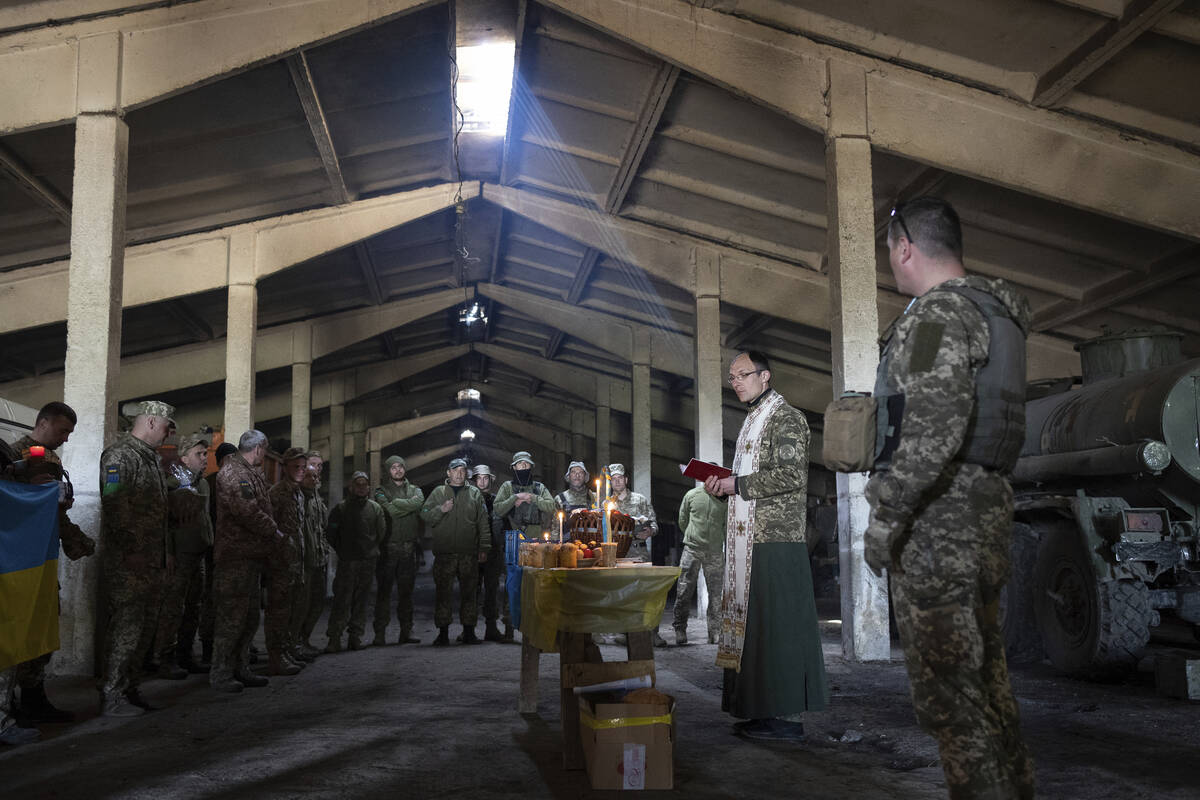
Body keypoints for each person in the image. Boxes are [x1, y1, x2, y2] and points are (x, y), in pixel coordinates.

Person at [865, 197, 1034, 799]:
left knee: (950, 699)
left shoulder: (937, 315)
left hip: (941, 520)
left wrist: (885, 519)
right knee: (987, 686)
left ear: (904, 248)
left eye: (890, 251)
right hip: (985, 509)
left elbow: (933, 425)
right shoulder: (999, 314)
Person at [704, 352, 827, 742]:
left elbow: (791, 475)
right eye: (732, 376)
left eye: (743, 374)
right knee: (756, 631)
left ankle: (787, 719)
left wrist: (736, 485)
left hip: (776, 541)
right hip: (750, 540)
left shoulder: (786, 416)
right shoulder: (753, 418)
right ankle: (762, 710)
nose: (736, 381)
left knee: (779, 630)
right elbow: (751, 479)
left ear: (766, 376)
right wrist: (724, 487)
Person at [5, 402, 96, 728]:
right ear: (42, 422)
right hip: (17, 562)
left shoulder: (52, 459)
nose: (66, 438)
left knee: (42, 626)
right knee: (16, 631)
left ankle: (31, 698)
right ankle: (11, 705)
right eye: (62, 431)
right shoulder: (12, 458)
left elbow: (56, 515)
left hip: (41, 561)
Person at [97, 400, 175, 717]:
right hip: (129, 561)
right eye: (168, 426)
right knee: (127, 629)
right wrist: (134, 550)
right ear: (152, 422)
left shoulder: (152, 460)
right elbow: (114, 505)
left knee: (144, 629)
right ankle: (112, 695)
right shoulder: (119, 456)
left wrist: (164, 552)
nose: (168, 433)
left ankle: (129, 688)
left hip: (152, 559)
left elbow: (161, 513)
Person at [210, 430, 285, 693]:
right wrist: (274, 532)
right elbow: (248, 511)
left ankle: (240, 668)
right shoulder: (234, 473)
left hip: (250, 556)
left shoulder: (249, 471)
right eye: (264, 452)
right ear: (260, 448)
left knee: (249, 618)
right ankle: (220, 673)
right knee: (231, 619)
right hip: (235, 558)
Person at [151, 431, 214, 680]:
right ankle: (165, 658)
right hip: (180, 554)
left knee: (193, 608)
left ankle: (186, 656)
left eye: (205, 454)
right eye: (198, 454)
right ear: (184, 458)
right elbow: (164, 522)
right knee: (173, 608)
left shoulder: (203, 483)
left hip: (198, 552)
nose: (204, 458)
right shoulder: (173, 484)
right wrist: (168, 553)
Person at [420, 458, 490, 646]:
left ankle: (469, 632)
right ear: (448, 473)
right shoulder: (438, 493)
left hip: (469, 553)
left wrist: (484, 547)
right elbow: (424, 514)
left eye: (463, 470)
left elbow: (483, 522)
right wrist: (441, 509)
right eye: (455, 470)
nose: (459, 473)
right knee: (443, 594)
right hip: (445, 554)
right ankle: (443, 633)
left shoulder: (474, 493)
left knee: (470, 593)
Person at [325, 472, 386, 653]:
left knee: (361, 601)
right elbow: (331, 534)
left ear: (368, 488)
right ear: (351, 487)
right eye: (357, 484)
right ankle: (334, 638)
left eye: (364, 484)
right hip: (348, 562)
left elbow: (381, 533)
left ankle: (355, 637)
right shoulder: (341, 509)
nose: (361, 487)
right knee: (342, 601)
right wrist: (344, 551)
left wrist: (370, 550)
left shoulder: (375, 509)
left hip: (367, 562)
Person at [609, 463, 667, 647]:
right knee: (622, 594)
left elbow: (654, 523)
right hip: (618, 552)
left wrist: (650, 531)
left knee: (647, 593)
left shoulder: (639, 499)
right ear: (610, 482)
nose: (617, 482)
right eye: (613, 479)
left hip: (639, 551)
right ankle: (624, 632)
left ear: (626, 480)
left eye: (620, 478)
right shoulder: (607, 503)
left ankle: (652, 632)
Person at [372, 455, 424, 646]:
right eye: (393, 467)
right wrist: (407, 507)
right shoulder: (380, 490)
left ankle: (406, 631)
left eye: (400, 467)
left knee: (406, 593)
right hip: (388, 548)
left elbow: (417, 504)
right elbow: (389, 511)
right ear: (388, 470)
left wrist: (397, 504)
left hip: (409, 548)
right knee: (384, 592)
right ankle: (380, 633)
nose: (398, 470)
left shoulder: (415, 490)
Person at [266, 447, 308, 675]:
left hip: (295, 561)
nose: (301, 471)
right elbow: (272, 530)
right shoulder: (277, 493)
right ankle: (276, 656)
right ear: (285, 468)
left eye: (303, 467)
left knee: (290, 610)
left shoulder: (298, 492)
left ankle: (286, 651)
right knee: (278, 611)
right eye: (296, 467)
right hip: (281, 563)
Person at [674, 482, 727, 646]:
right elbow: (682, 520)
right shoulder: (692, 495)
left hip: (715, 551)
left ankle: (715, 632)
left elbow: (726, 525)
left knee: (716, 594)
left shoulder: (725, 499)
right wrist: (693, 537)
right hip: (692, 550)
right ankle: (680, 629)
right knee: (684, 590)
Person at [294, 451, 329, 657]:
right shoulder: (300, 494)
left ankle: (304, 640)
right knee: (301, 605)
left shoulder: (316, 494)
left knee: (317, 602)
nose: (317, 469)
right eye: (313, 465)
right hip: (305, 560)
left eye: (320, 466)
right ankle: (295, 643)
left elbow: (321, 527)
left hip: (318, 557)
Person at [471, 465, 508, 642]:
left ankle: (491, 628)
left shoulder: (497, 502)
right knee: (471, 590)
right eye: (479, 478)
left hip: (493, 551)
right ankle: (468, 628)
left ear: (491, 481)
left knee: (492, 590)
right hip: (472, 551)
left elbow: (505, 525)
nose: (483, 481)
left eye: (486, 478)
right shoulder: (469, 500)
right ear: (474, 480)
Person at [493, 451, 555, 540]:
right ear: (514, 467)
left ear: (531, 466)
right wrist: (515, 498)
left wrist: (533, 497)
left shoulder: (539, 487)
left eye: (527, 463)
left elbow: (551, 507)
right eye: (519, 463)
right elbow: (498, 509)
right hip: (513, 536)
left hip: (535, 537)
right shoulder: (507, 486)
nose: (523, 465)